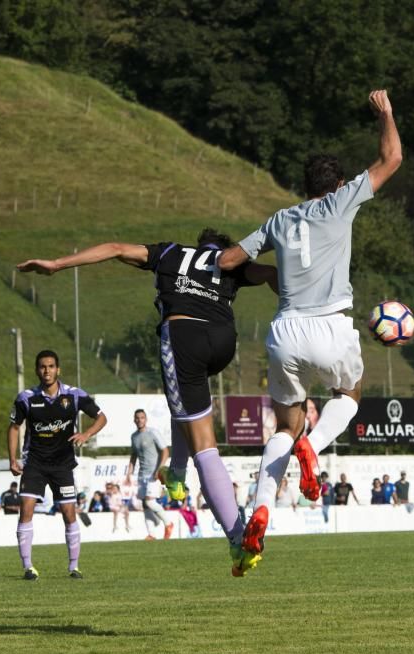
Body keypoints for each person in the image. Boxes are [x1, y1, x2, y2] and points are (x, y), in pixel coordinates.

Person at [18, 228, 277, 577]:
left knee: (204, 445)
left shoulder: (170, 253)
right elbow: (273, 274)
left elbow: (113, 247)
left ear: (197, 245)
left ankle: (236, 537)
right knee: (181, 405)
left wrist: (56, 264)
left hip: (183, 333)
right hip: (223, 340)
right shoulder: (230, 260)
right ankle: (177, 475)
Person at [217, 90, 401, 568]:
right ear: (338, 183)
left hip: (284, 332)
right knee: (350, 395)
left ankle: (260, 510)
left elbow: (230, 260)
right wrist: (385, 113)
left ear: (304, 184)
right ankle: (311, 449)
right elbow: (392, 157)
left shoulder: (280, 219)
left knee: (283, 423)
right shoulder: (341, 202)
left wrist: (210, 260)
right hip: (330, 326)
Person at [8, 349, 108, 581]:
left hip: (63, 465)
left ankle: (74, 567)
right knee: (26, 510)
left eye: (51, 366)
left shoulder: (74, 395)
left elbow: (101, 417)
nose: (47, 371)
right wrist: (12, 458)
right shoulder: (26, 398)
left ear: (58, 369)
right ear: (37, 370)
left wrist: (86, 434)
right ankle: (28, 567)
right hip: (34, 463)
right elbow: (14, 427)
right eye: (43, 367)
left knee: (68, 513)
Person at [126, 409, 173, 540]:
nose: (139, 420)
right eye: (137, 418)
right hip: (142, 474)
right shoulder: (134, 436)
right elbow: (134, 456)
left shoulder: (153, 433)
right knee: (145, 504)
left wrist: (159, 469)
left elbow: (165, 451)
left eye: (142, 417)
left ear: (146, 419)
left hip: (154, 473)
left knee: (150, 501)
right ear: (134, 420)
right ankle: (151, 534)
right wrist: (129, 474)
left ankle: (168, 523)